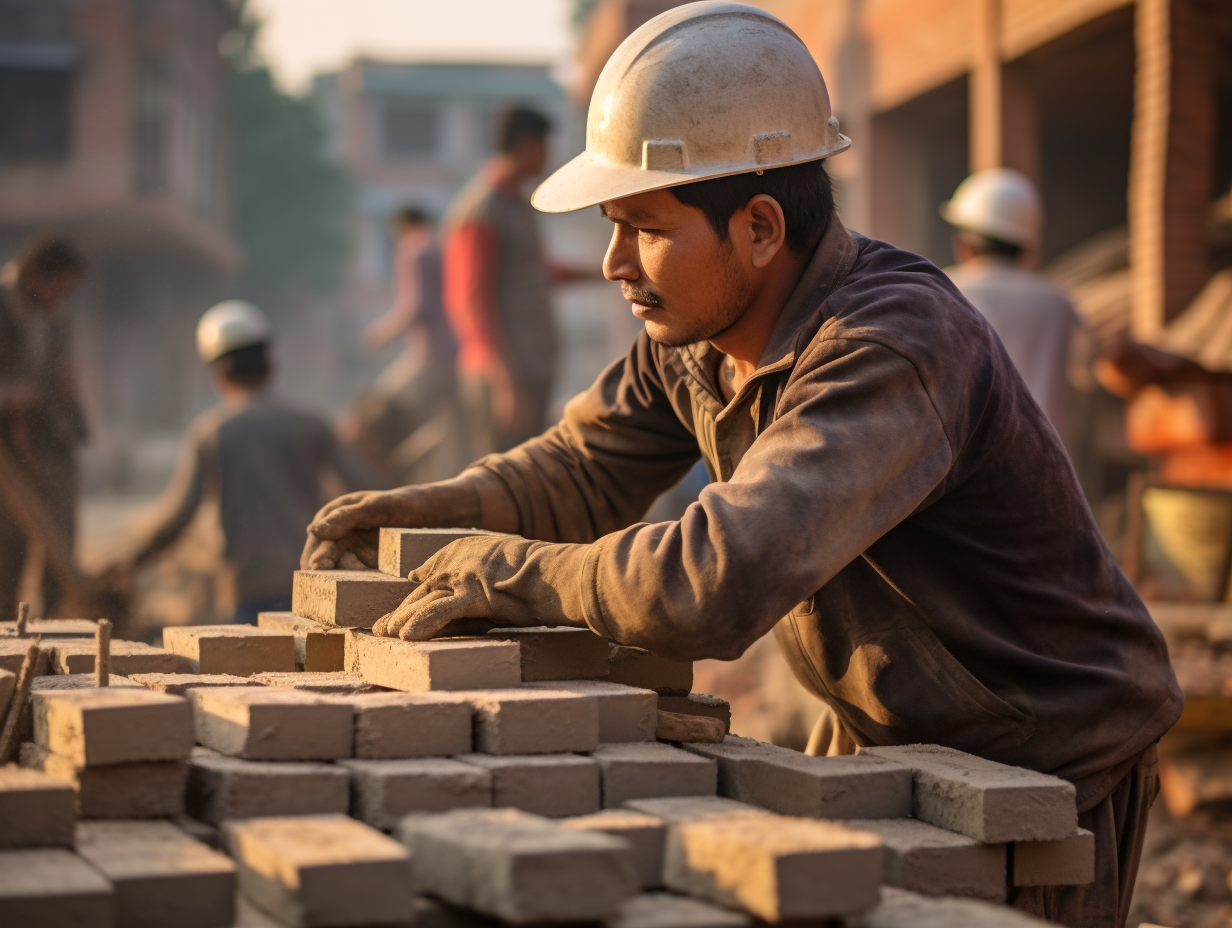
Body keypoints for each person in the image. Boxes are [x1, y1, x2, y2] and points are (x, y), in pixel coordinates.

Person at [301, 6, 1179, 927]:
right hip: (893, 729)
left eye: (643, 227)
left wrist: (505, 570)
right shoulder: (696, 337)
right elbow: (580, 470)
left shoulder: (889, 347)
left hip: (1044, 755)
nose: (612, 264)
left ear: (759, 227)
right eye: (611, 227)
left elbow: (709, 584)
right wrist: (428, 515)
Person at [113, 300, 370, 624]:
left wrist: (131, 562)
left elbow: (179, 517)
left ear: (218, 376)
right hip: (311, 583)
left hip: (247, 590)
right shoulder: (311, 424)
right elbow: (364, 492)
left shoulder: (211, 434)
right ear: (270, 366)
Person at [441, 106, 590, 457]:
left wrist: (605, 271)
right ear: (525, 145)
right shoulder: (483, 210)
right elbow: (471, 302)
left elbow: (533, 272)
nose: (548, 156)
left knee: (523, 481)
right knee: (497, 483)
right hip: (505, 377)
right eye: (545, 146)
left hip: (529, 369)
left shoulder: (515, 204)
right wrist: (506, 383)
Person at [943, 169, 1079, 439]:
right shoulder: (1059, 304)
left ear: (964, 244)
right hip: (1047, 467)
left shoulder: (942, 292)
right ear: (1026, 245)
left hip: (967, 470)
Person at [0, 234, 87, 621]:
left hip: (49, 441)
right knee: (7, 547)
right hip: (6, 447)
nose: (61, 297)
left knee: (60, 539)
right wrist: (8, 396)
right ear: (35, 275)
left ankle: (58, 632)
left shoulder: (55, 315)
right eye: (59, 288)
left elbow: (60, 373)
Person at [348, 206, 464, 486]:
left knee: (377, 411)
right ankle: (443, 482)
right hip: (457, 351)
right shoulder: (440, 249)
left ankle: (383, 480)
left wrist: (381, 334)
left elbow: (417, 307)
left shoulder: (413, 249)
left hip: (430, 354)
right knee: (447, 427)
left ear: (400, 227)